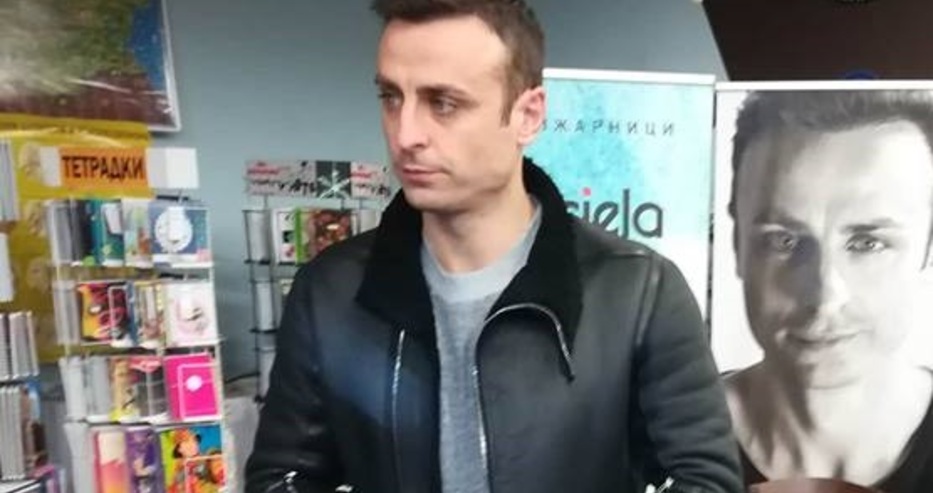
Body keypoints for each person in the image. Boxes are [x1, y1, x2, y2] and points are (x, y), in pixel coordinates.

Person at [245, 1, 742, 492]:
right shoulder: (330, 294)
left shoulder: (638, 292)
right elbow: (282, 478)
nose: (406, 133)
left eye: (443, 103)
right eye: (392, 97)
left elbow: (705, 480)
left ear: (528, 115)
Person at [724, 89, 933, 491]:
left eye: (868, 243)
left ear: (928, 248)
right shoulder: (656, 443)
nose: (824, 297)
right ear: (737, 245)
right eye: (783, 241)